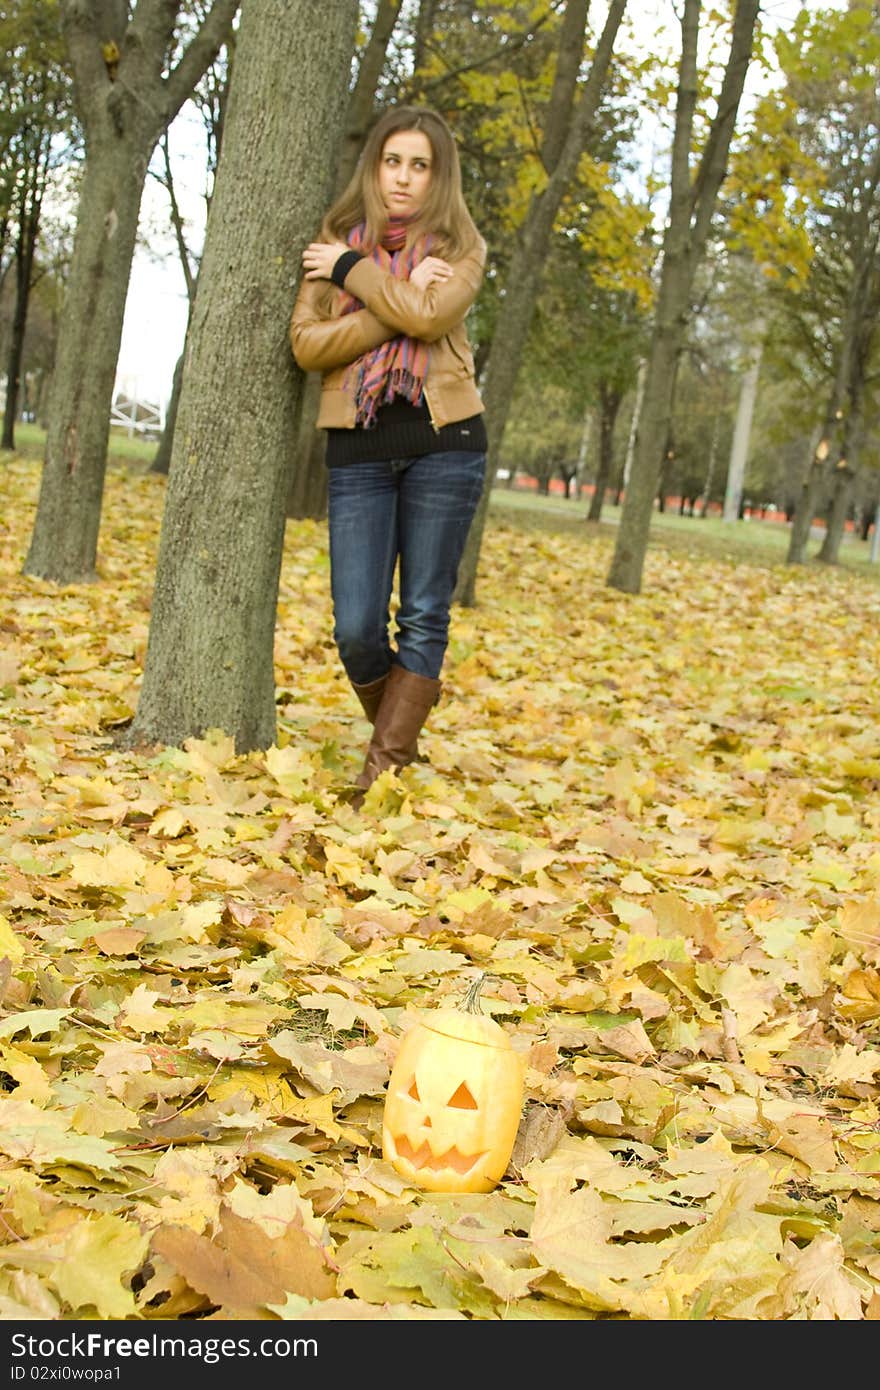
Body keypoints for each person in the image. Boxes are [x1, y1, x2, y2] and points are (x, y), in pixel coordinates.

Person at [289, 104, 487, 801]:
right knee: (356, 627)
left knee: (426, 611)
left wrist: (354, 275)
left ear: (439, 176)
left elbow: (433, 319)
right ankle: (398, 739)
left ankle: (382, 779)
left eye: (420, 165)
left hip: (446, 444)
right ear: (374, 167)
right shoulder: (333, 242)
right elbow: (308, 346)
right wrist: (384, 293)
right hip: (359, 448)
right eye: (392, 161)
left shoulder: (463, 249)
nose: (403, 179)